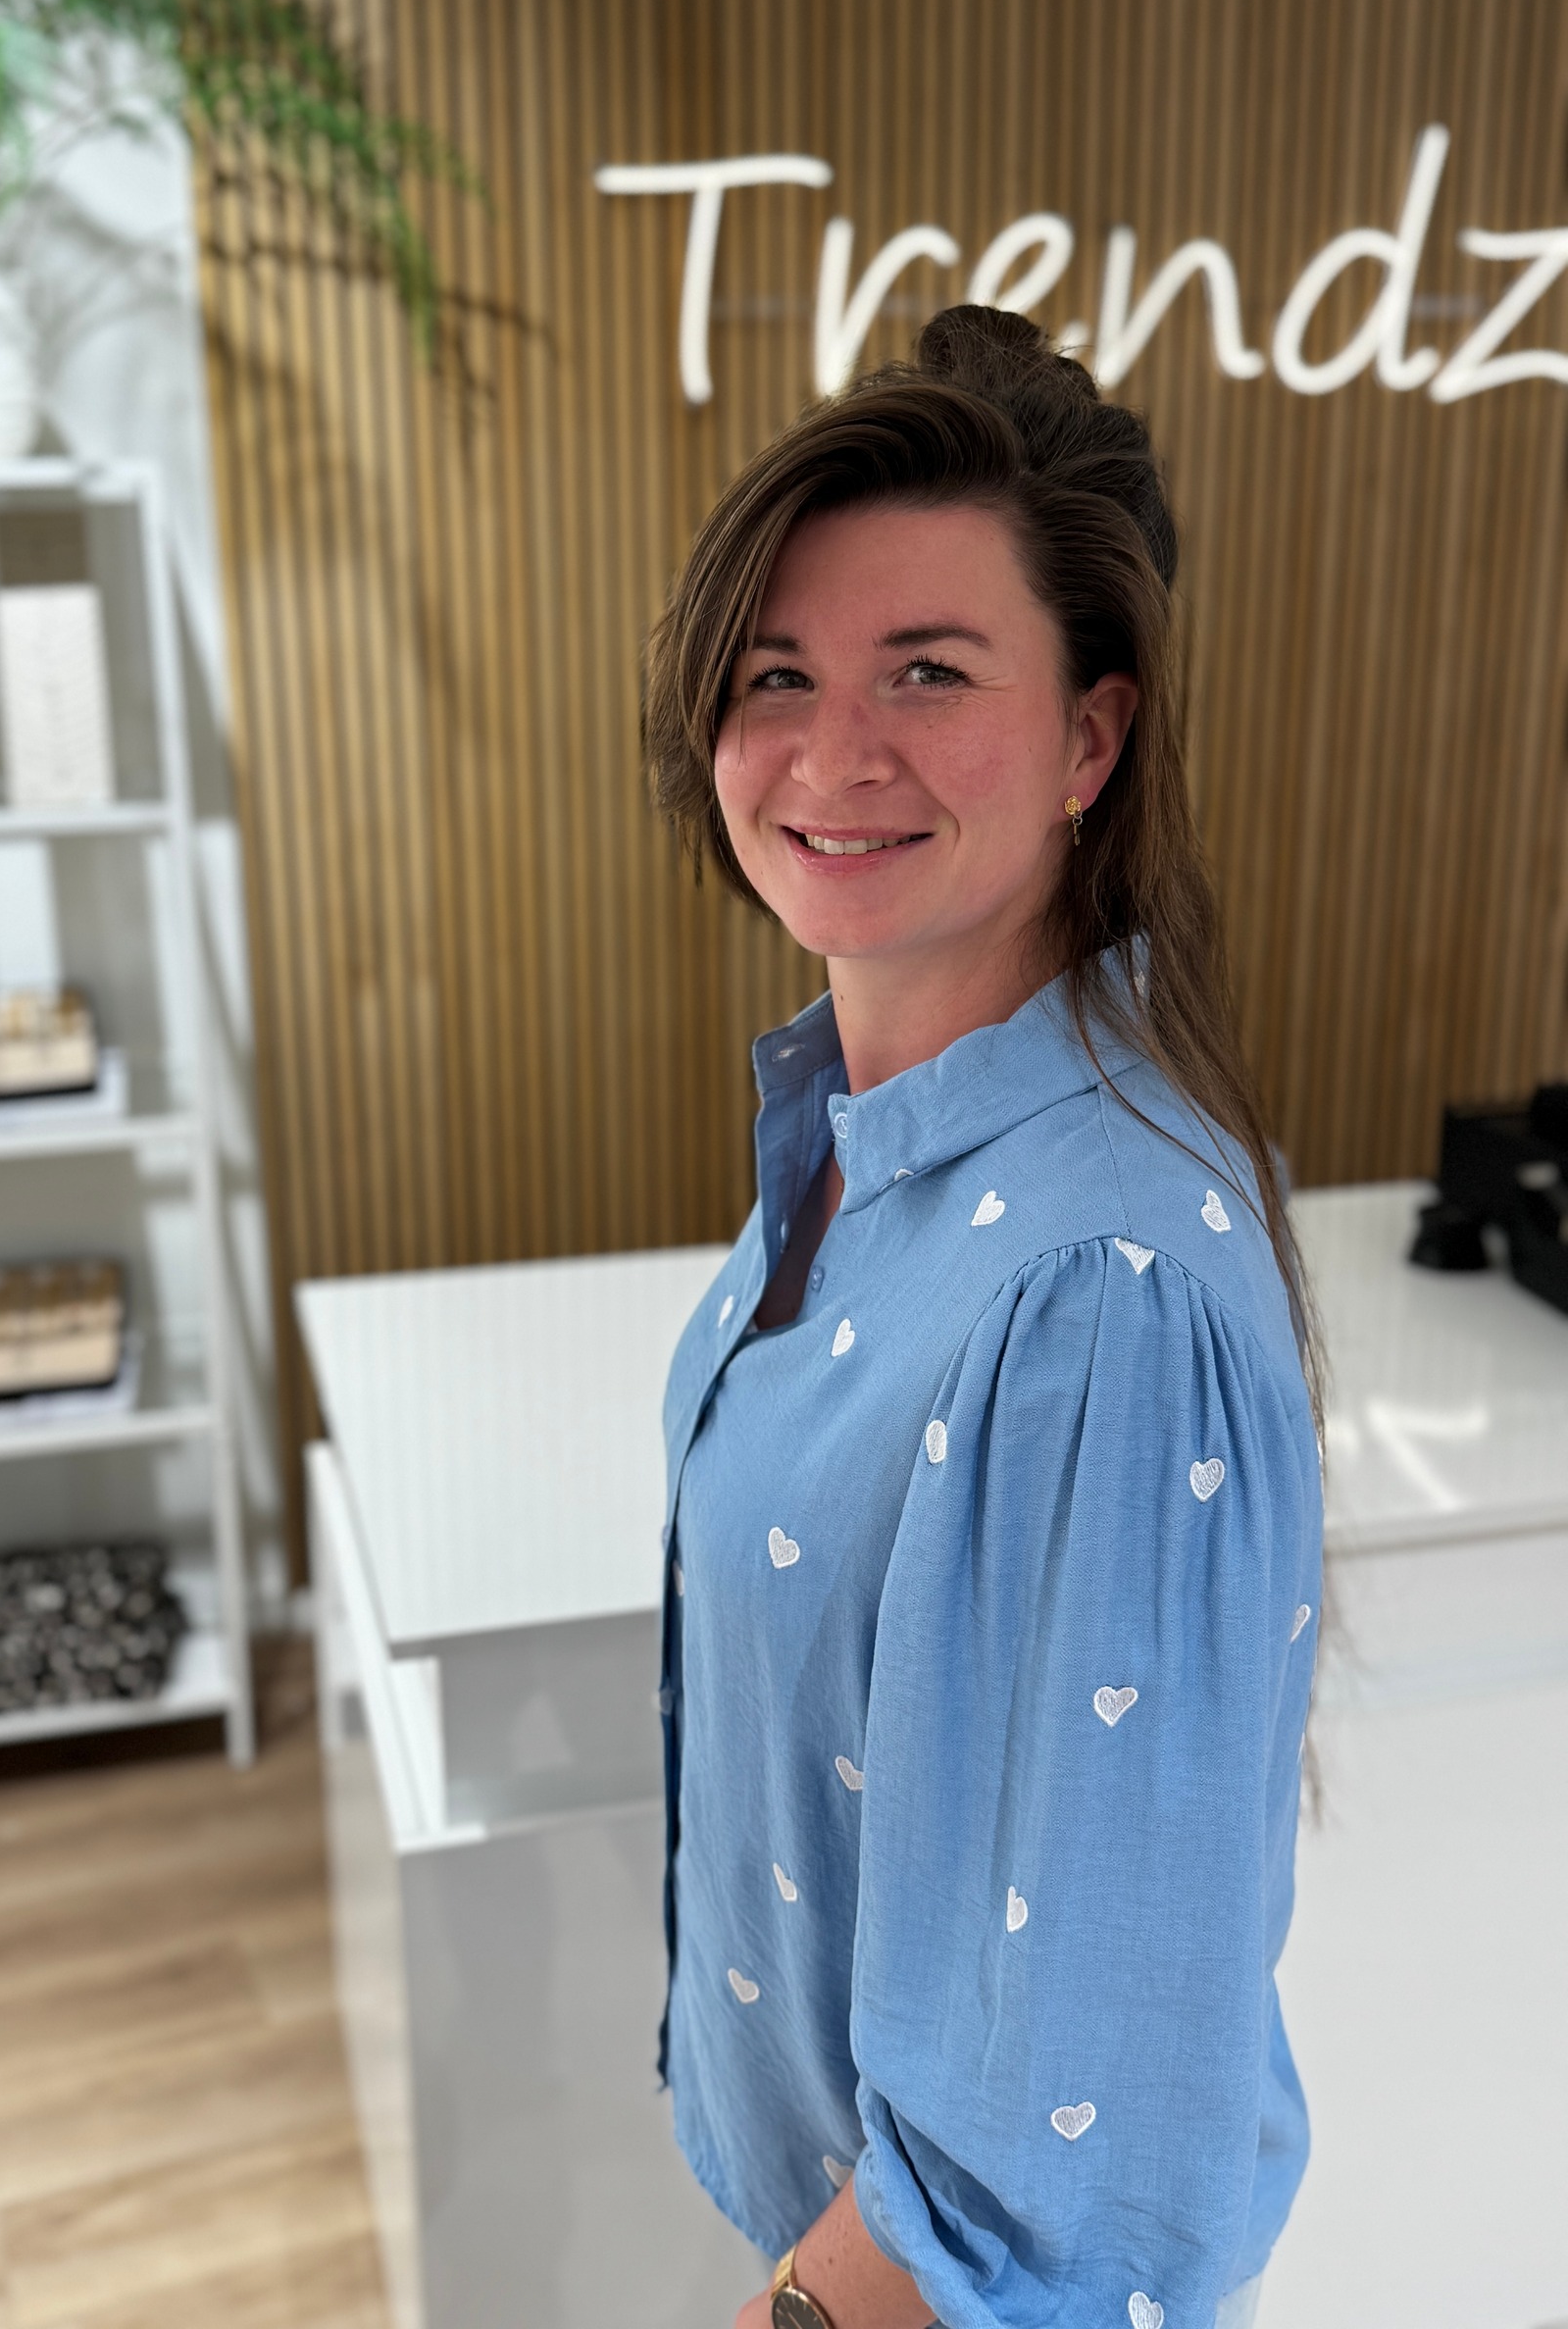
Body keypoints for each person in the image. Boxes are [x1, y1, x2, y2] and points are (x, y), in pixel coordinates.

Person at [646, 306, 1323, 2329]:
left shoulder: (1098, 1290)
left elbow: (1056, 2139)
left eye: (929, 673)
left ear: (1092, 740)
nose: (832, 753)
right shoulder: (858, 1139)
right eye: (775, 675)